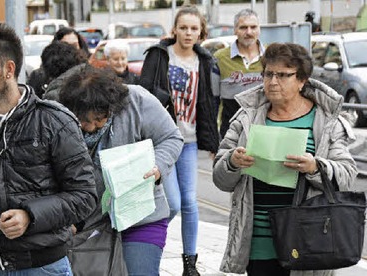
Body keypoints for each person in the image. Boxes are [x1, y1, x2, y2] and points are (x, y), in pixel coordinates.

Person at [0, 22, 97, 274]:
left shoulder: (54, 121)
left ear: (9, 69)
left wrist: (30, 216)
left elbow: (84, 196)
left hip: (42, 265)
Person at [213, 42, 356, 275]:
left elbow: (347, 176)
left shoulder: (326, 121)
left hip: (308, 239)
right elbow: (220, 178)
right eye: (268, 74)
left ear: (301, 80)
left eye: (283, 75)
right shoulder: (246, 118)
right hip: (259, 243)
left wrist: (314, 167)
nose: (273, 81)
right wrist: (232, 162)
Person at [57, 67, 183, 275]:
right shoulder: (60, 119)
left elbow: (171, 138)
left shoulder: (138, 100)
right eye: (85, 121)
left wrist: (158, 166)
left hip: (141, 215)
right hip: (91, 222)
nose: (91, 127)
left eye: (99, 119)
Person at [138, 5, 219, 275]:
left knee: (190, 202)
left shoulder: (205, 61)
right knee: (171, 202)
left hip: (190, 141)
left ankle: (190, 262)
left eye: (193, 28)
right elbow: (143, 96)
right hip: (162, 140)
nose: (188, 33)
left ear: (201, 32)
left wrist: (213, 143)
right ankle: (149, 242)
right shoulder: (159, 56)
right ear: (174, 30)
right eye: (183, 27)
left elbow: (209, 103)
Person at [213, 9, 264, 140]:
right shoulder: (219, 58)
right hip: (230, 132)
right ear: (235, 30)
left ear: (259, 29)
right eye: (243, 27)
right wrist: (213, 139)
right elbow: (213, 102)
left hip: (265, 130)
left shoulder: (272, 56)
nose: (249, 32)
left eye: (253, 27)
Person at [27, 27, 89, 97]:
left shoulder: (88, 74)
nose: (71, 49)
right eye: (66, 45)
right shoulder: (39, 76)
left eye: (74, 45)